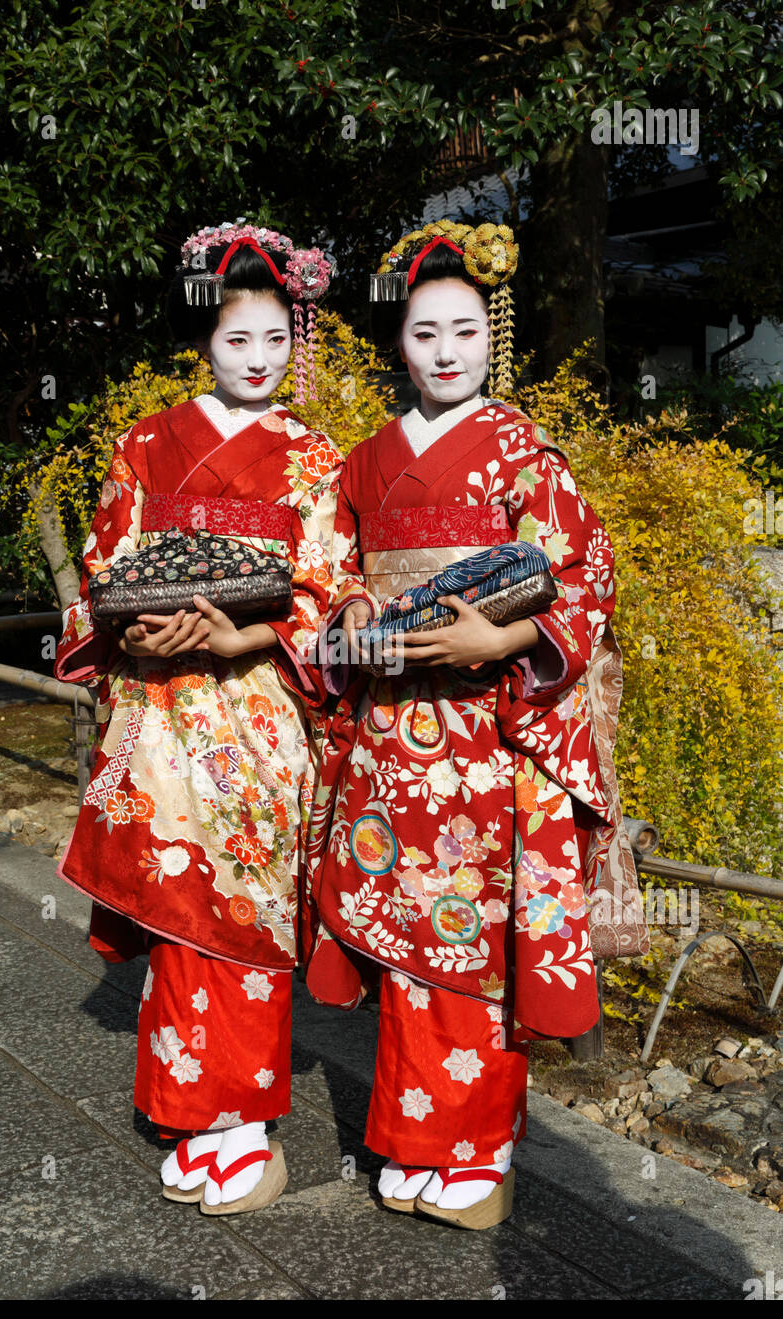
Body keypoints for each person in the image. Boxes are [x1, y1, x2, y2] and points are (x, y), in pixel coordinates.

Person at [305, 220, 644, 1230]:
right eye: (421, 333)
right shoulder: (362, 462)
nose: (444, 351)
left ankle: (475, 1149)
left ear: (488, 335)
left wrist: (502, 644)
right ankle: (413, 1138)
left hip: (490, 735)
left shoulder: (520, 452)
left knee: (473, 940)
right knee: (409, 936)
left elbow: (586, 572)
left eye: (461, 330)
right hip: (389, 727)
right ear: (396, 343)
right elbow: (325, 581)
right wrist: (358, 622)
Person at [53, 220, 341, 1215]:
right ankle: (195, 1115)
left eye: (273, 342)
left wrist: (239, 640)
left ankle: (239, 1120)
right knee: (180, 916)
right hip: (158, 709)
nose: (257, 362)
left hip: (252, 710)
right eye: (234, 343)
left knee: (241, 915)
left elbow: (331, 590)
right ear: (202, 343)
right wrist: (131, 637)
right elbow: (101, 568)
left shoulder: (312, 457)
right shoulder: (146, 442)